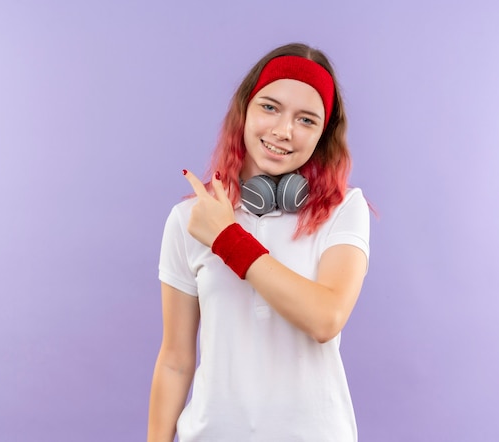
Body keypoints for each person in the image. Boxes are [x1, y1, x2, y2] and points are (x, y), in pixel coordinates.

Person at [148, 42, 370, 441]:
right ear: (244, 110)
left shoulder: (344, 210)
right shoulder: (189, 221)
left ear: (323, 135)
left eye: (306, 120)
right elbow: (175, 360)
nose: (283, 131)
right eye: (270, 107)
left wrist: (228, 239)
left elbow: (326, 318)